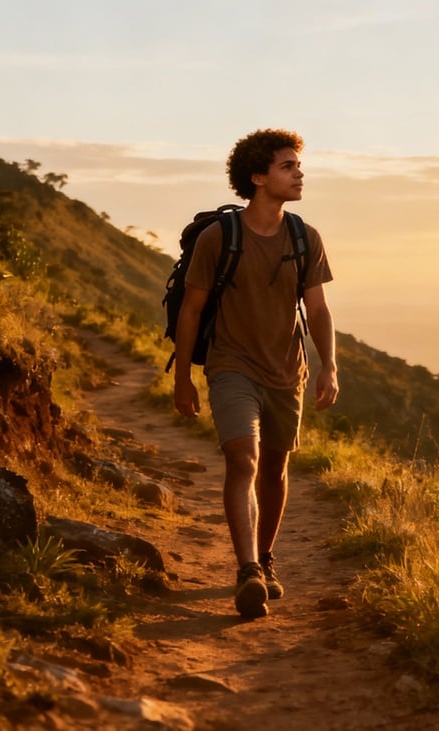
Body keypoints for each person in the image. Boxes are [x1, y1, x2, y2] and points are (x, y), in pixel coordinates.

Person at [172, 128, 338, 619]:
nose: (299, 173)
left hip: (288, 371)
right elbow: (191, 311)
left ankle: (265, 559)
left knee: (275, 468)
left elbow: (319, 309)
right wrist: (183, 377)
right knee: (243, 459)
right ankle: (246, 570)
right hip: (231, 366)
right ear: (258, 177)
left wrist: (329, 365)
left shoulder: (306, 239)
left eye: (298, 165)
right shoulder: (218, 239)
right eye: (288, 167)